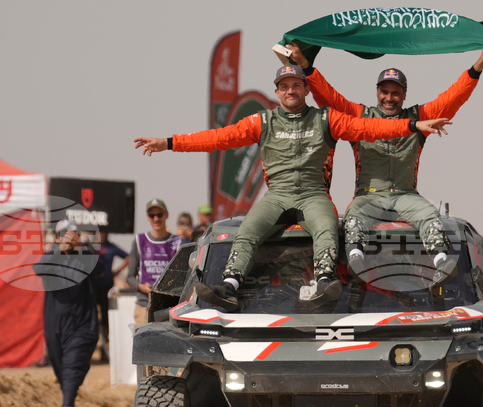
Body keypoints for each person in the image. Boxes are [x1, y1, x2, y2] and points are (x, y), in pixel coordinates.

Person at [134, 64, 450, 311]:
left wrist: (412, 125)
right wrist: (170, 143)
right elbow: (219, 137)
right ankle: (229, 286)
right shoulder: (262, 121)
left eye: (296, 85)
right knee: (247, 229)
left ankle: (326, 282)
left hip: (315, 194)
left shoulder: (327, 118)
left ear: (305, 89)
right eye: (284, 86)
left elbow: (368, 126)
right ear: (277, 91)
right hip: (277, 196)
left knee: (327, 227)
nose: (290, 90)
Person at [288, 43, 483, 289]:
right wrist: (306, 67)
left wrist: (478, 67)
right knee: (353, 217)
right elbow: (328, 96)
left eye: (395, 93)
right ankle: (356, 260)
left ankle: (441, 262)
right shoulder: (359, 117)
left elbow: (454, 96)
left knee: (430, 215)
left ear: (404, 95)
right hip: (369, 196)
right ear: (377, 92)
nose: (389, 98)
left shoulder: (419, 117)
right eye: (384, 91)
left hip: (406, 196)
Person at [33, 220, 102, 407]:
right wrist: (58, 250)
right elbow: (38, 269)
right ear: (57, 237)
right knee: (62, 369)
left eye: (73, 234)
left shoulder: (85, 258)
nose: (69, 238)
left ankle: (66, 406)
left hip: (82, 325)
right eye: (64, 234)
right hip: (55, 326)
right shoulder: (51, 259)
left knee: (72, 365)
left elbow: (100, 269)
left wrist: (82, 248)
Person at [127, 199, 184, 326]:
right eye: (152, 215)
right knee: (143, 344)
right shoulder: (139, 240)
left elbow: (183, 277)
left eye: (160, 214)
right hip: (144, 306)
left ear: (166, 215)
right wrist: (141, 286)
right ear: (148, 217)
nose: (156, 219)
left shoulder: (178, 242)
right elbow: (130, 277)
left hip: (169, 307)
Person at [94, 231, 128, 363]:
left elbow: (128, 257)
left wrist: (117, 271)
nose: (101, 234)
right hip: (92, 288)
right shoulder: (88, 247)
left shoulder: (112, 247)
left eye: (104, 232)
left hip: (106, 287)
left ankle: (104, 350)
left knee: (106, 320)